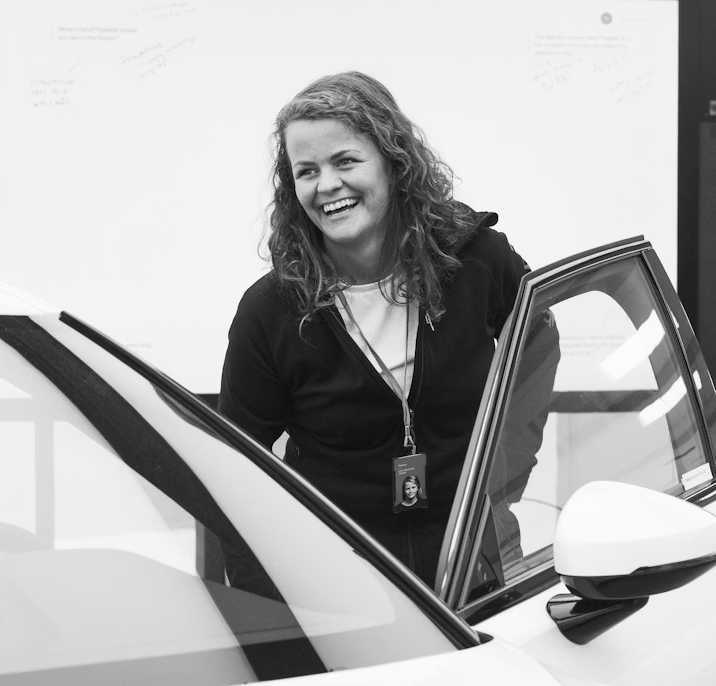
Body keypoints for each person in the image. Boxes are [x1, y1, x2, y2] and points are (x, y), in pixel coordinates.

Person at [219, 71, 556, 588]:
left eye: (345, 161)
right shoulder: (271, 311)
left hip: (472, 556)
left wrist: (502, 477)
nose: (326, 185)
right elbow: (236, 466)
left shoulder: (475, 259)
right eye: (306, 171)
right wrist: (262, 614)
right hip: (340, 574)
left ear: (394, 161)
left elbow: (536, 343)